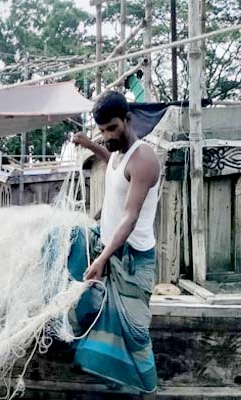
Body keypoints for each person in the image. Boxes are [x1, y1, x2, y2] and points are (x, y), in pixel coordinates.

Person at [66, 90, 161, 394]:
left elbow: (130, 217)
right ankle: (114, 383)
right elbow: (114, 166)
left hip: (132, 260)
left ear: (128, 119)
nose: (107, 135)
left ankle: (146, 390)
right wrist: (89, 144)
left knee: (134, 337)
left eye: (112, 128)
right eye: (103, 130)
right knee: (64, 239)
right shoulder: (119, 154)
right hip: (109, 249)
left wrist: (102, 258)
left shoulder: (145, 158)